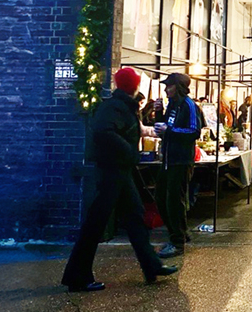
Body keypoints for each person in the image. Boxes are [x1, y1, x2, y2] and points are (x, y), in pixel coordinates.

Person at [61, 68, 177, 292]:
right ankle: (77, 277)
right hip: (112, 171)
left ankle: (152, 266)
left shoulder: (122, 105)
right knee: (96, 224)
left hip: (119, 171)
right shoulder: (115, 107)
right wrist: (129, 151)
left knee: (135, 218)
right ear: (133, 85)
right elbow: (104, 132)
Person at [153, 72, 202, 259]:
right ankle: (179, 233)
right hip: (168, 159)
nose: (166, 89)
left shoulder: (189, 105)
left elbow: (194, 131)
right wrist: (159, 113)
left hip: (181, 160)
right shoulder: (173, 105)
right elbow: (164, 128)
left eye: (169, 85)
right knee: (161, 197)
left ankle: (177, 242)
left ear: (178, 87)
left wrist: (170, 130)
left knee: (174, 201)